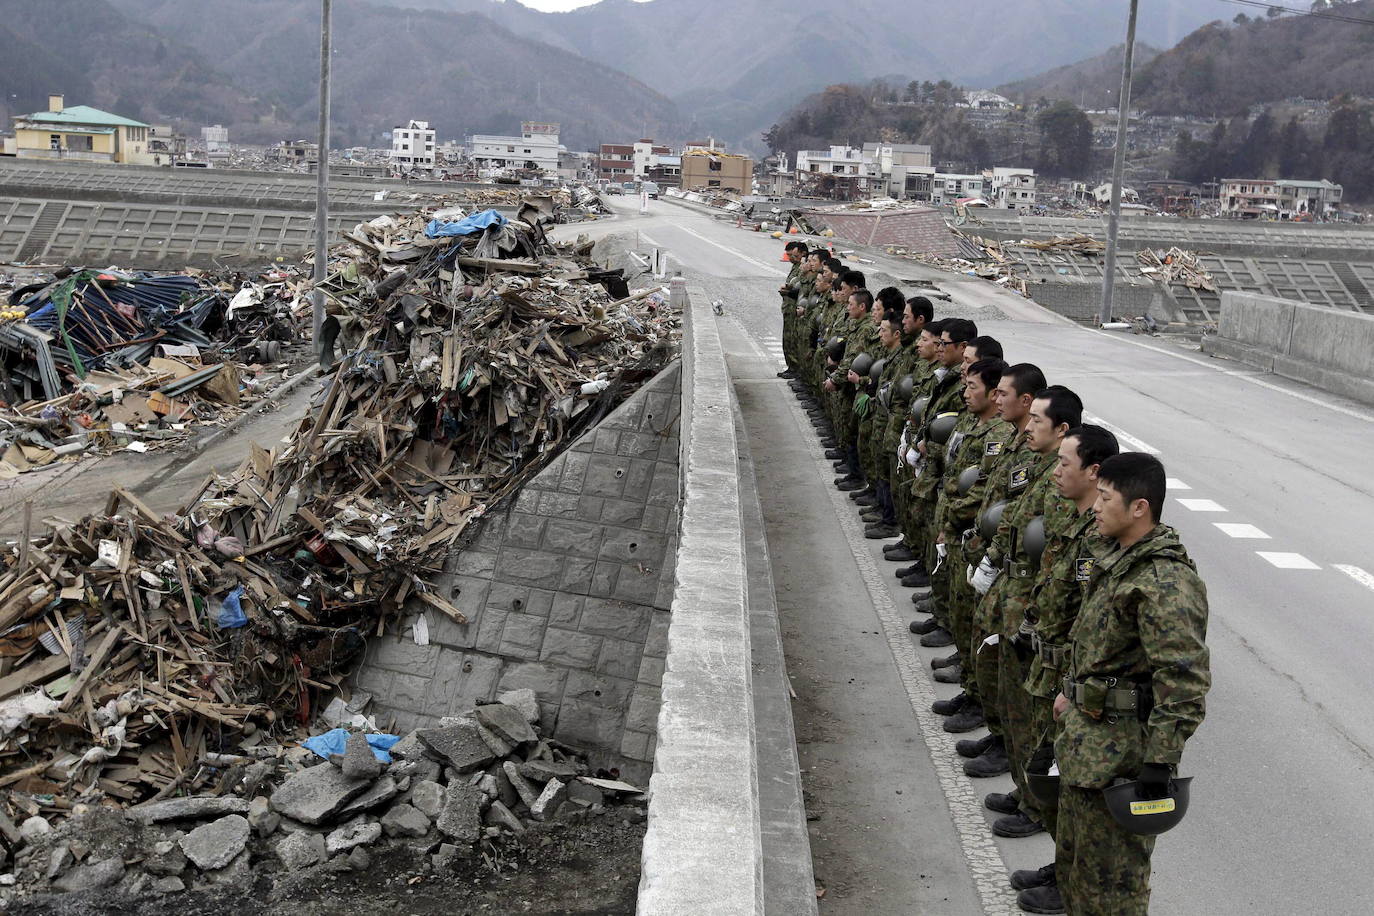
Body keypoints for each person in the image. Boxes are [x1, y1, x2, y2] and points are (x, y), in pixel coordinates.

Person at [1051, 452, 1210, 916]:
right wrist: (1070, 695)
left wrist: (1160, 763)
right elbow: (1094, 649)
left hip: (1121, 760)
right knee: (1076, 876)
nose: (1095, 506)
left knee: (1113, 892)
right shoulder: (1115, 560)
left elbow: (1182, 680)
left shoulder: (1164, 579)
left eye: (1105, 497)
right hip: (1086, 747)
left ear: (1138, 507)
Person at [1011, 424, 1119, 914]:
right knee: (1052, 779)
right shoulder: (1076, 525)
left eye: (1064, 463)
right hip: (1054, 673)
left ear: (1094, 473)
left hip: (1073, 685)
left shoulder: (1103, 546)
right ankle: (1062, 869)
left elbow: (1090, 625)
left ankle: (1066, 878)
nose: (1056, 471)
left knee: (1064, 787)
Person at [931, 358, 1013, 689]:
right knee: (961, 607)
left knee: (972, 614)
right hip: (962, 528)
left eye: (972, 385)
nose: (965, 391)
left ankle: (973, 686)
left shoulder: (1001, 435)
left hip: (973, 535)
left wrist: (953, 514)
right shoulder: (983, 424)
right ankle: (966, 666)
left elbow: (985, 490)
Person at [777, 241, 808, 379]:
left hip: (795, 311)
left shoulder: (803, 269)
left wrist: (788, 292)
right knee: (787, 339)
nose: (790, 258)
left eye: (793, 255)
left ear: (803, 254)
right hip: (789, 309)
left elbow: (800, 290)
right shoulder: (796, 267)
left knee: (792, 340)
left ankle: (794, 368)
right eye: (789, 255)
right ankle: (791, 367)